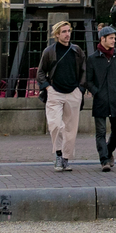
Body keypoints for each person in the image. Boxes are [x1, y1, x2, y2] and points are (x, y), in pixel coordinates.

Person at [36, 22, 85, 169]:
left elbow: (84, 70)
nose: (67, 34)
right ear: (57, 34)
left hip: (73, 92)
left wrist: (80, 89)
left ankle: (65, 158)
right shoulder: (49, 51)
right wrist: (48, 88)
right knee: (55, 125)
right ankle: (58, 154)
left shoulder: (76, 50)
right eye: (63, 31)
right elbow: (40, 72)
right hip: (55, 92)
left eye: (68, 31)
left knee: (71, 129)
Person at [86, 25, 116, 170]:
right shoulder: (93, 59)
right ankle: (104, 160)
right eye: (110, 38)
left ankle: (109, 151)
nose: (113, 41)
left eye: (114, 38)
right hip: (101, 100)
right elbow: (88, 80)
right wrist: (96, 91)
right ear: (102, 38)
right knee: (101, 132)